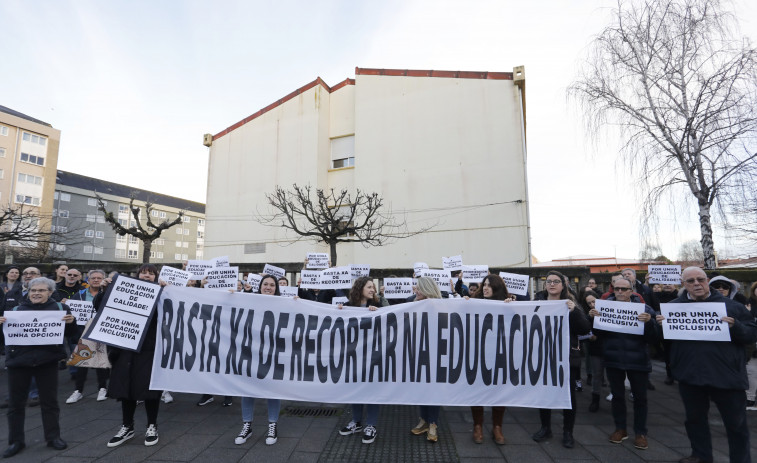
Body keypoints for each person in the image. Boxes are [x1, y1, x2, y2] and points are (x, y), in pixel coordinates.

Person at [656, 267, 757, 463]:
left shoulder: (732, 306)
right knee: (694, 421)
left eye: (700, 279)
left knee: (736, 425)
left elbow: (751, 335)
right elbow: (660, 340)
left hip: (726, 374)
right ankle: (701, 456)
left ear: (707, 280)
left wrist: (735, 326)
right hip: (690, 374)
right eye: (690, 281)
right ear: (683, 284)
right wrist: (658, 326)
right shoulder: (674, 307)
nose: (696, 284)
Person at [0, 277, 76, 458]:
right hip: (19, 363)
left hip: (47, 362)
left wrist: (71, 323)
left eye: (41, 290)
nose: (36, 293)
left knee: (50, 403)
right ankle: (16, 441)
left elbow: (72, 336)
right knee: (16, 405)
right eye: (33, 290)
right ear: (28, 292)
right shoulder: (16, 310)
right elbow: (5, 339)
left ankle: (53, 437)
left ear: (50, 292)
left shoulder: (60, 309)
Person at [589, 277, 657, 450]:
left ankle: (640, 432)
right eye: (616, 288)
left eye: (624, 289)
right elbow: (597, 334)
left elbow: (655, 338)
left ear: (631, 291)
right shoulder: (605, 307)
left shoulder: (644, 309)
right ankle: (620, 429)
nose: (619, 292)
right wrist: (593, 319)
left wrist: (649, 322)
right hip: (614, 359)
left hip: (638, 360)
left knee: (640, 398)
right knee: (617, 396)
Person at [106, 264, 164, 448]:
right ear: (137, 275)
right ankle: (127, 426)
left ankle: (152, 426)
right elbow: (101, 307)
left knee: (150, 390)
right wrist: (105, 290)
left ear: (156, 277)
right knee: (126, 389)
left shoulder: (163, 293)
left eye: (151, 274)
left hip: (149, 349)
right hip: (125, 348)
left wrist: (167, 290)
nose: (147, 276)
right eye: (143, 273)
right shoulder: (122, 291)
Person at [531, 271, 590, 449]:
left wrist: (574, 312)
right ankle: (545, 427)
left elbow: (584, 329)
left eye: (556, 281)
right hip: (543, 355)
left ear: (563, 285)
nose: (552, 284)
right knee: (544, 394)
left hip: (566, 357)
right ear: (545, 285)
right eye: (549, 281)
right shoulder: (536, 303)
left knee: (568, 396)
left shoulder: (570, 304)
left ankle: (567, 432)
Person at [338, 276, 389, 444]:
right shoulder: (347, 307)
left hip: (372, 356)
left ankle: (371, 425)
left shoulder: (378, 306)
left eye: (373, 287)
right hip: (353, 356)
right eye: (369, 287)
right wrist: (337, 311)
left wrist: (378, 314)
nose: (373, 289)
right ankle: (357, 422)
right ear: (360, 288)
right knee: (356, 390)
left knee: (372, 390)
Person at [235, 274, 282, 446]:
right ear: (260, 286)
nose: (268, 287)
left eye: (272, 285)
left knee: (273, 390)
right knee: (247, 390)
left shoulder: (284, 305)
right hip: (251, 353)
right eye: (265, 284)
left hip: (273, 355)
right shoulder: (250, 300)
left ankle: (272, 425)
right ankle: (247, 425)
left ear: (276, 289)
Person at [468, 274, 512, 445]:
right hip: (478, 354)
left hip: (500, 355)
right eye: (484, 284)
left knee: (499, 392)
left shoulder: (508, 304)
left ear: (497, 288)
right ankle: (477, 426)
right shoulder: (474, 302)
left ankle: (497, 427)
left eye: (489, 285)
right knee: (477, 390)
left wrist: (512, 307)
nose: (485, 287)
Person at [65, 270, 110, 404]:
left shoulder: (109, 294)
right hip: (83, 332)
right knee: (82, 361)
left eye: (99, 278)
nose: (96, 280)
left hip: (101, 332)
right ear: (88, 280)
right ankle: (78, 390)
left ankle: (102, 388)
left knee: (100, 361)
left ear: (104, 280)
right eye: (93, 278)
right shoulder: (79, 295)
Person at [408, 277, 444, 443]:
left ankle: (433, 424)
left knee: (433, 390)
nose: (416, 291)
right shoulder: (412, 302)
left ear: (427, 289)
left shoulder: (443, 306)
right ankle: (423, 420)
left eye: (419, 289)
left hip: (436, 355)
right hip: (419, 354)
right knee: (422, 388)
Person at [581, 290, 604, 412]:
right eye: (589, 303)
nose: (592, 305)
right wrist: (589, 317)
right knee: (597, 374)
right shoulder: (587, 315)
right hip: (596, 347)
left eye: (594, 301)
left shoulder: (608, 309)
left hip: (609, 346)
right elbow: (584, 328)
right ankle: (595, 399)